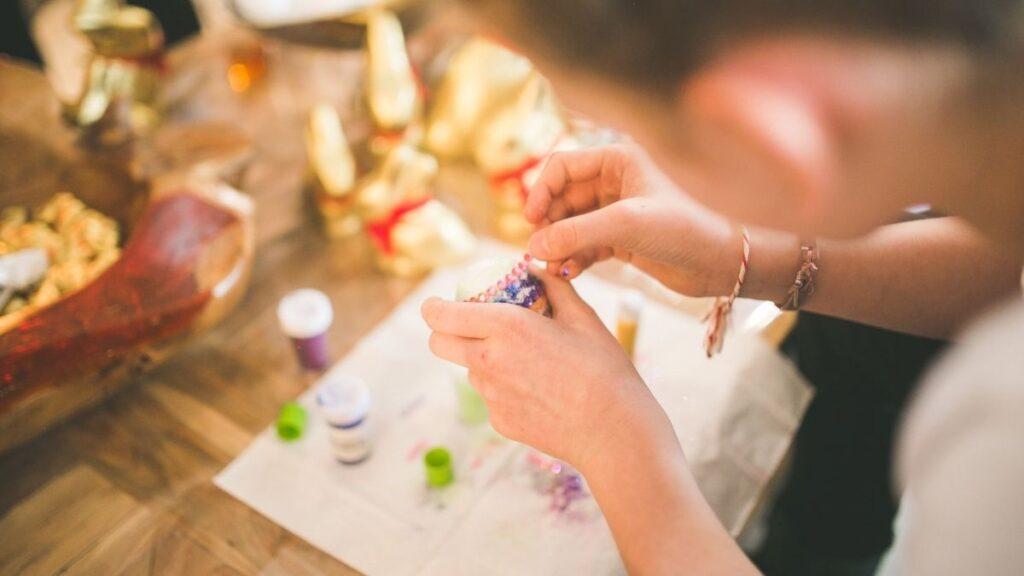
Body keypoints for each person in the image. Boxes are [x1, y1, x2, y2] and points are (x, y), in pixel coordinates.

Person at [423, 1, 1024, 574]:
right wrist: (756, 257)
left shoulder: (997, 441)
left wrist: (613, 441)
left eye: (623, 128)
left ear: (763, 138)